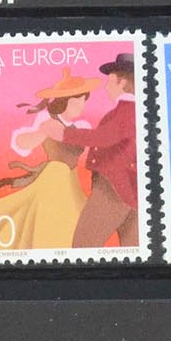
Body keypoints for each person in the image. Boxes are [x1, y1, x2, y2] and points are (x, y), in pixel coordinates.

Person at [0, 70, 95, 251]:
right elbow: (21, 143)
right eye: (79, 101)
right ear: (67, 102)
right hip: (53, 178)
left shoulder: (82, 126)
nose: (82, 106)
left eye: (83, 101)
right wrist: (42, 131)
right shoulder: (46, 120)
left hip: (73, 181)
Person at [62, 51, 141, 250]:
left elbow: (102, 138)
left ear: (122, 82)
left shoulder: (126, 111)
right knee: (133, 248)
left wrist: (62, 133)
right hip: (131, 190)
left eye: (110, 80)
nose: (106, 86)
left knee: (83, 246)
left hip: (113, 187)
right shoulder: (134, 110)